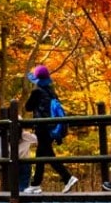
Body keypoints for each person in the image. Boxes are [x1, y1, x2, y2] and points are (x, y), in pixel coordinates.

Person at [23, 65, 78, 194]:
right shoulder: (51, 91)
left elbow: (28, 107)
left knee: (46, 155)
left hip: (42, 128)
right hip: (51, 128)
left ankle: (68, 177)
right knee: (42, 156)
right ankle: (36, 184)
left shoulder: (37, 92)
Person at [17, 128, 38, 193]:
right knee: (24, 185)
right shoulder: (25, 134)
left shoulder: (7, 135)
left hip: (12, 163)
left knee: (13, 185)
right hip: (25, 162)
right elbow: (36, 139)